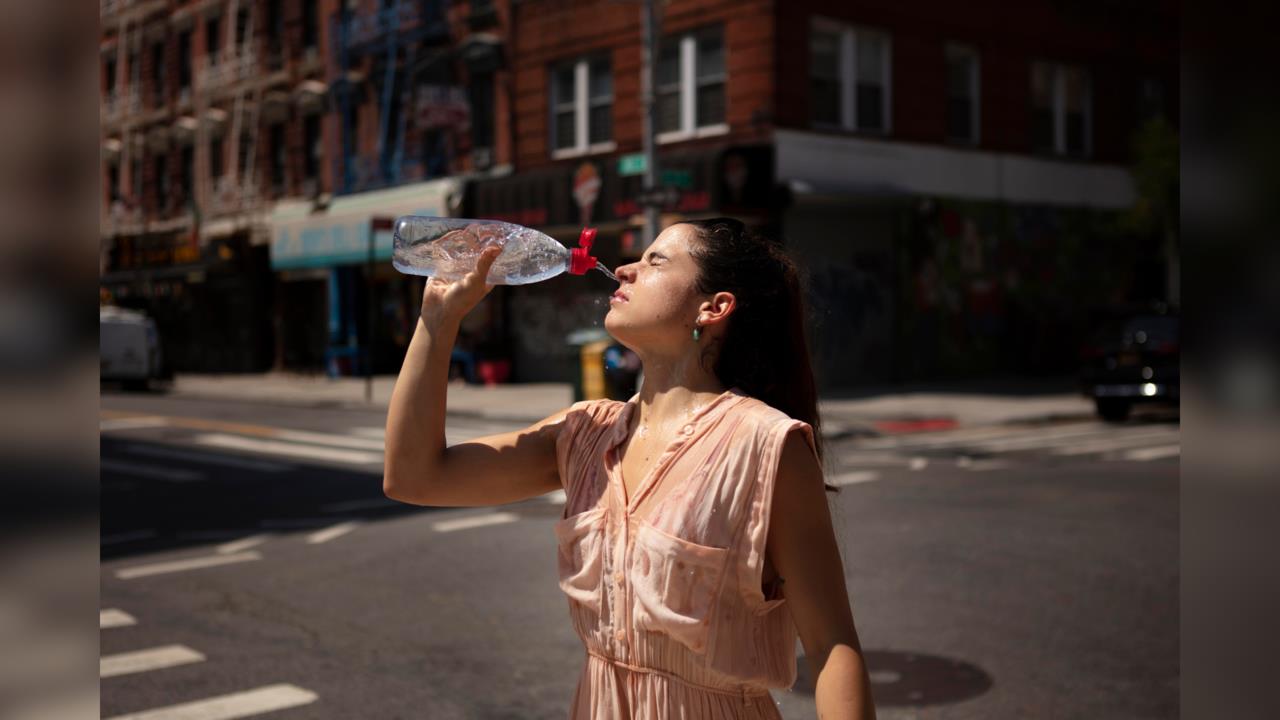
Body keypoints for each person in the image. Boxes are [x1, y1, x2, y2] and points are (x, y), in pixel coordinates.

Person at [384, 218, 876, 719]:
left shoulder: (766, 444)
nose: (624, 269)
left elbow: (831, 644)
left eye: (655, 260)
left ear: (714, 307)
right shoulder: (582, 434)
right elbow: (414, 477)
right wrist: (437, 321)